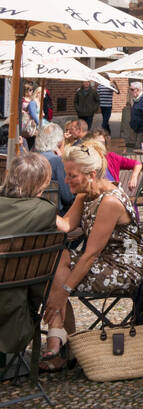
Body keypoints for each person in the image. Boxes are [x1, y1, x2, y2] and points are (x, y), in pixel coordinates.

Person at [41, 144, 143, 367]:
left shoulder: (109, 202)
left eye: (72, 176)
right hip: (102, 261)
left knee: (53, 278)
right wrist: (36, 206)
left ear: (91, 175)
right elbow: (66, 225)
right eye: (66, 174)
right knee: (55, 259)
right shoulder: (86, 193)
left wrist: (64, 292)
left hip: (122, 268)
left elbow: (90, 254)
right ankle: (63, 338)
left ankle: (65, 343)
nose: (66, 180)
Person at [0, 153, 61, 378]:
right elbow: (65, 227)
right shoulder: (43, 211)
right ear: (42, 183)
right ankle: (57, 337)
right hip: (14, 303)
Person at [86, 129, 143, 201]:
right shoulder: (86, 159)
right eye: (97, 143)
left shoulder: (111, 157)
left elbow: (137, 164)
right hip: (95, 198)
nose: (100, 146)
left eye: (102, 143)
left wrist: (133, 178)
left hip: (114, 195)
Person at [33, 122, 74, 212]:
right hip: (53, 213)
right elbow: (67, 197)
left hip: (33, 209)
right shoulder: (56, 161)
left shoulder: (30, 158)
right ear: (59, 141)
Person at [20, 83, 40, 148]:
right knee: (24, 135)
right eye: (30, 90)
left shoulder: (32, 100)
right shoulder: (22, 99)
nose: (31, 91)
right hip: (24, 120)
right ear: (25, 91)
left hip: (31, 121)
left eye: (32, 90)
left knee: (31, 135)